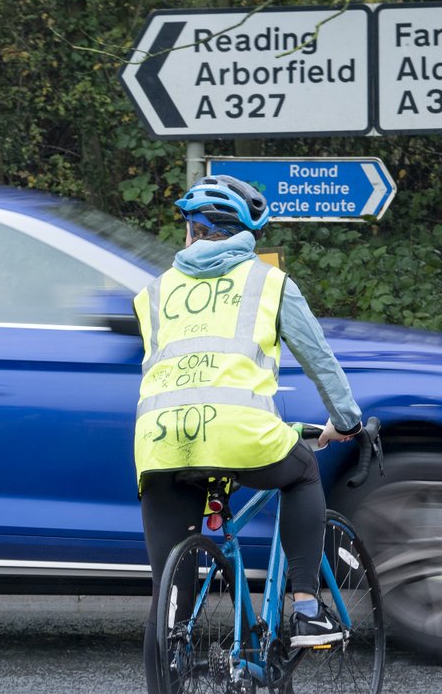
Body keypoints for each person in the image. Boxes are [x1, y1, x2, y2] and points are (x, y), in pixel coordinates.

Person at [133, 175, 364, 693]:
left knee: (168, 600)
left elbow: (191, 371)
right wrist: (346, 422)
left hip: (159, 442)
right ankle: (306, 608)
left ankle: (174, 650)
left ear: (191, 233)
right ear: (246, 235)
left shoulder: (152, 292)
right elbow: (320, 362)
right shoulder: (268, 282)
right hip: (240, 433)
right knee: (303, 473)